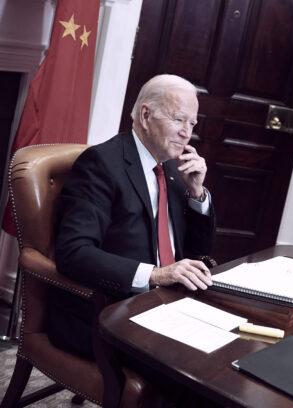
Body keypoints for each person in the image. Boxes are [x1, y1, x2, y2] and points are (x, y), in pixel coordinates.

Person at [49, 74, 215, 359]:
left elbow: (200, 252)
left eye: (192, 124)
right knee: (194, 369)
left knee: (228, 351)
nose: (186, 133)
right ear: (146, 115)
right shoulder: (101, 164)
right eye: (178, 120)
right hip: (111, 310)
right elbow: (73, 252)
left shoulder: (174, 169)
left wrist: (197, 195)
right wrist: (156, 274)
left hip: (168, 304)